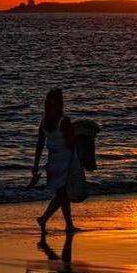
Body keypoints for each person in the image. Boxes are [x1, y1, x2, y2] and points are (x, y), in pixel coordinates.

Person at [28, 88, 80, 235]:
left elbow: (39, 144)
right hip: (65, 160)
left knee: (62, 195)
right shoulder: (64, 120)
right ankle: (49, 220)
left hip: (53, 162)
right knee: (63, 195)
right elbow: (70, 142)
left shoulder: (44, 122)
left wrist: (36, 165)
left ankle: (64, 224)